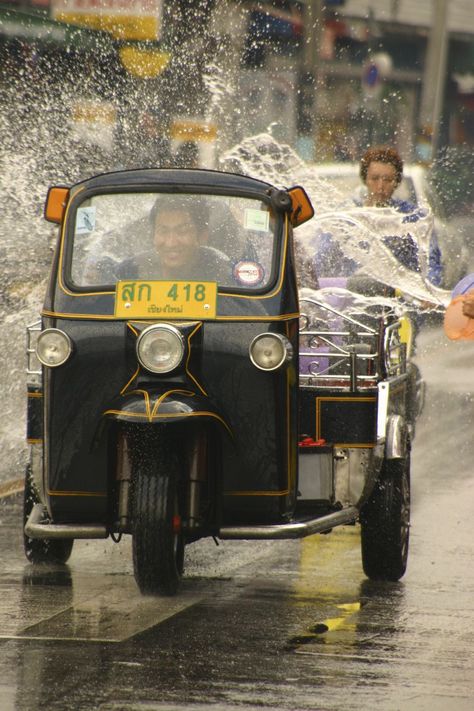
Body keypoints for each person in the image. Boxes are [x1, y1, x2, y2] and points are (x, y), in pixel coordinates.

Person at [314, 146, 443, 287]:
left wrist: (429, 287)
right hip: (353, 297)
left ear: (397, 182)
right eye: (374, 179)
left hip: (400, 297)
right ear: (365, 179)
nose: (380, 186)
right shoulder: (347, 216)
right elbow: (322, 258)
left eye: (387, 180)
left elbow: (431, 261)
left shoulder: (412, 216)